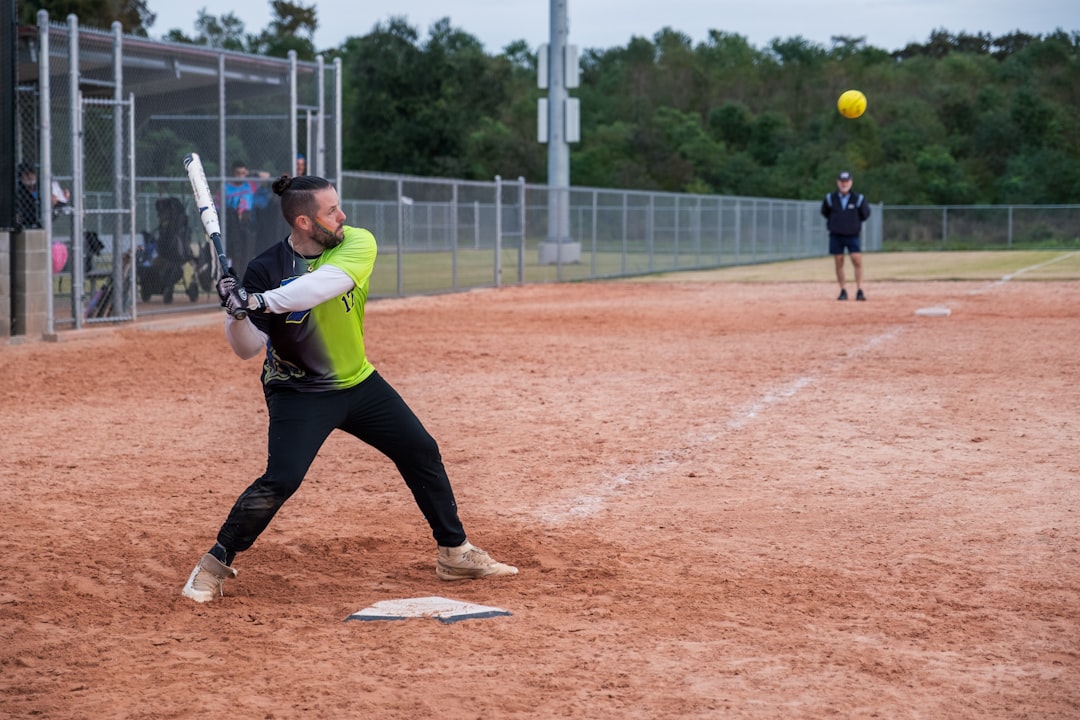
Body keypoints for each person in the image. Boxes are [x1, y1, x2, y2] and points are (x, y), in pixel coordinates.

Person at [182, 173, 518, 603]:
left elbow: (320, 287)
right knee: (281, 480)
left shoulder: (354, 243)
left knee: (420, 449)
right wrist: (235, 313)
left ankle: (454, 553)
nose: (342, 216)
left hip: (358, 382)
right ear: (304, 222)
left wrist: (257, 301)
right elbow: (247, 350)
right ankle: (213, 564)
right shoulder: (265, 269)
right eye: (331, 211)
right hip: (297, 391)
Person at [821, 170, 870, 301]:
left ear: (851, 182)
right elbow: (825, 212)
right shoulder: (830, 199)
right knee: (838, 260)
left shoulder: (858, 199)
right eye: (842, 181)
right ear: (838, 182)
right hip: (836, 234)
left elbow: (865, 214)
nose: (844, 184)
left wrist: (852, 223)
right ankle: (843, 290)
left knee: (856, 259)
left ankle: (860, 289)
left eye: (847, 181)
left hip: (852, 234)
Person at [15, 162, 41, 229]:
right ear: (20, 177)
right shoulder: (18, 190)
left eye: (32, 173)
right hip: (26, 217)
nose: (30, 176)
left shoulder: (40, 186)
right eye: (26, 174)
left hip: (39, 214)